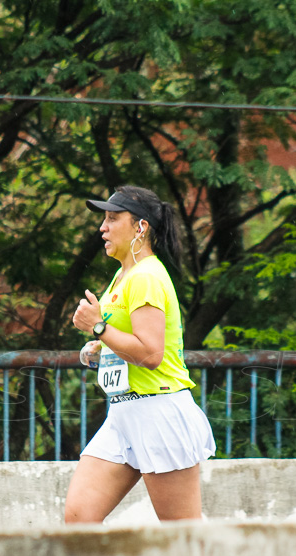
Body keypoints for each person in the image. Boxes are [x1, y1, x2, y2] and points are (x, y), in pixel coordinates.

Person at [67, 185, 216, 523]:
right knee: (79, 519)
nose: (102, 228)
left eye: (111, 219)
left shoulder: (147, 275)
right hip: (123, 416)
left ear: (141, 227)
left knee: (183, 537)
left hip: (158, 412)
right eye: (103, 220)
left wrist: (99, 329)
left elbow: (151, 354)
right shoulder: (123, 275)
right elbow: (127, 339)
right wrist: (101, 347)